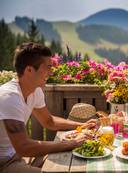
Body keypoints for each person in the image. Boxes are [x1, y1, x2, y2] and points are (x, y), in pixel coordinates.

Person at [0, 42, 97, 173]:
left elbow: (49, 121)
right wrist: (70, 144)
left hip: (16, 156)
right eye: (48, 67)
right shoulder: (9, 97)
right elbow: (23, 147)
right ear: (29, 70)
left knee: (69, 159)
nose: (51, 72)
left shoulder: (35, 91)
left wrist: (81, 125)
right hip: (4, 163)